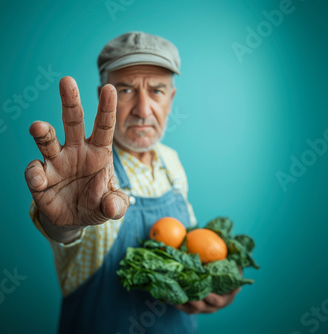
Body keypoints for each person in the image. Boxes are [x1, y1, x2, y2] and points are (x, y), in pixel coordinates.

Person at [24, 31, 240, 333]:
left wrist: (217, 281)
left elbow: (191, 249)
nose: (142, 109)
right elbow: (63, 231)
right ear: (103, 97)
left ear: (171, 98)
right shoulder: (77, 175)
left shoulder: (172, 163)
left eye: (156, 91)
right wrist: (65, 221)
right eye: (125, 90)